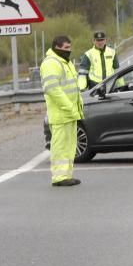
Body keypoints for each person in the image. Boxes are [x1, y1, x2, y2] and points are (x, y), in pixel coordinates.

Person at [41, 35, 84, 187]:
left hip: (70, 113)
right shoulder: (51, 63)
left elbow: (73, 88)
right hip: (61, 114)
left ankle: (66, 175)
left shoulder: (65, 62)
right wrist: (69, 107)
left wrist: (77, 108)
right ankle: (59, 177)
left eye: (70, 47)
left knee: (70, 146)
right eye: (66, 48)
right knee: (60, 147)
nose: (69, 50)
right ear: (56, 47)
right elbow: (53, 90)